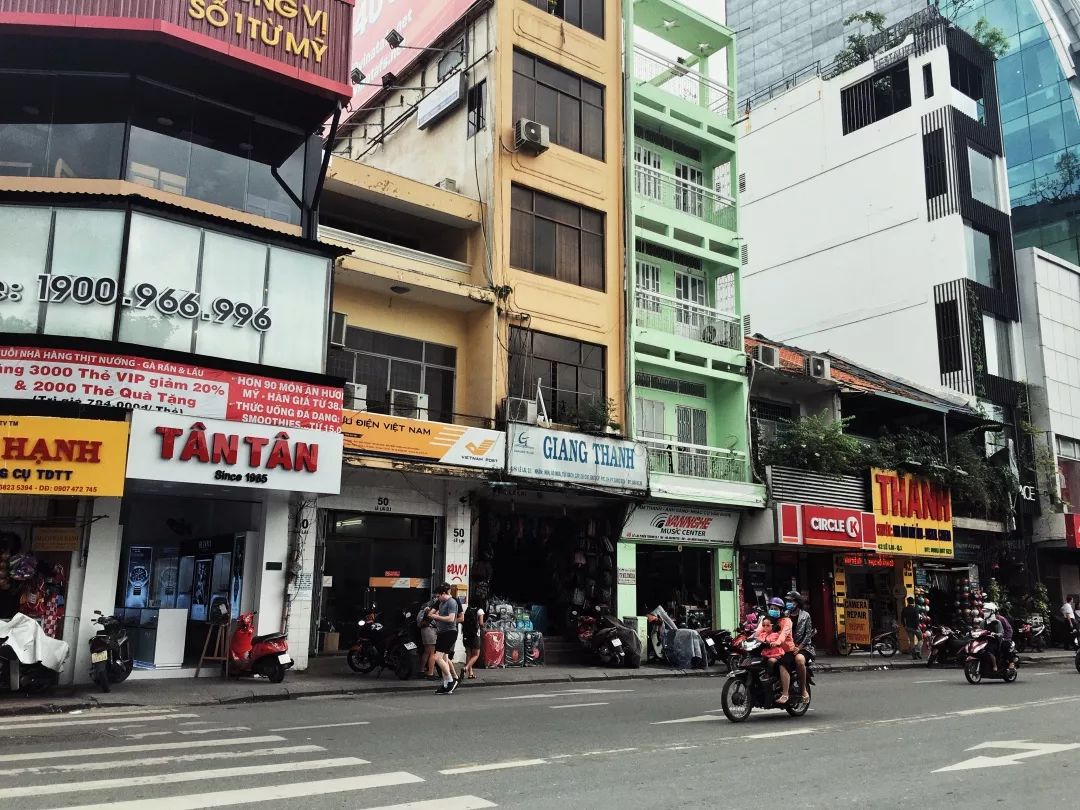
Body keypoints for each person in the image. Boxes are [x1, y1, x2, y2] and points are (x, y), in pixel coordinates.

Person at [785, 591, 815, 703]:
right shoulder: (785, 614)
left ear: (796, 602)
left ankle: (803, 690)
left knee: (799, 660)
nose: (788, 603)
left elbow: (808, 634)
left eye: (790, 601)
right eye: (787, 601)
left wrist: (799, 647)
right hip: (787, 646)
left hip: (803, 647)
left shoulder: (805, 616)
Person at [431, 583, 460, 695]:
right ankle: (446, 684)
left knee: (437, 658)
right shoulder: (441, 602)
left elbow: (451, 618)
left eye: (438, 596)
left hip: (449, 632)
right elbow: (432, 613)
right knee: (444, 658)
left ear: (444, 593)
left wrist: (436, 617)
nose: (437, 599)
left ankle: (450, 680)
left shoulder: (452, 602)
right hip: (442, 632)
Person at [764, 597, 794, 704]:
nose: (772, 610)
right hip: (772, 650)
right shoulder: (768, 620)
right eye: (771, 608)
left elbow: (784, 634)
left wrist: (778, 642)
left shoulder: (787, 621)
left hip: (786, 651)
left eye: (775, 608)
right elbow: (760, 630)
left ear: (781, 610)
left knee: (782, 664)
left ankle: (785, 694)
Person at [462, 601, 486, 679]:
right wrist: (484, 628)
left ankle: (470, 673)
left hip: (466, 635)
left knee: (468, 654)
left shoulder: (468, 610)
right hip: (475, 635)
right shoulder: (480, 611)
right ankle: (466, 668)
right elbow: (481, 623)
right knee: (476, 655)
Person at [418, 598, 438, 679]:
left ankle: (421, 671)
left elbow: (419, 622)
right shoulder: (430, 610)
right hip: (430, 631)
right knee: (432, 653)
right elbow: (436, 620)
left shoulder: (422, 610)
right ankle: (430, 673)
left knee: (426, 652)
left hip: (424, 630)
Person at [900, 596, 921, 660]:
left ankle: (913, 655)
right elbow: (917, 619)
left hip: (908, 627)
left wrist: (904, 625)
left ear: (908, 602)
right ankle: (917, 650)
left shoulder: (904, 609)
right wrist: (917, 626)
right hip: (915, 627)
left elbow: (902, 618)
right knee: (921, 639)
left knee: (911, 641)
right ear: (913, 601)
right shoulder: (915, 608)